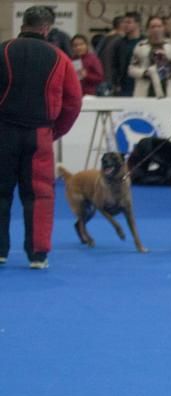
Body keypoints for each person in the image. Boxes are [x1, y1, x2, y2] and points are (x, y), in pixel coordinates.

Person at [0, 6, 82, 270]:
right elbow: (73, 102)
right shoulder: (60, 58)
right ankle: (38, 255)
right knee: (39, 195)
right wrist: (55, 131)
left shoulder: (3, 50)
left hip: (3, 132)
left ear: (23, 25)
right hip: (39, 135)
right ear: (47, 28)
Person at [129, 16, 171, 98]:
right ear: (148, 30)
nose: (156, 30)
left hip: (167, 91)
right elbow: (131, 69)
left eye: (159, 26)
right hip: (144, 91)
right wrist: (145, 73)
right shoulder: (140, 46)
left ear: (164, 28)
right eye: (153, 27)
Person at [113, 11, 144, 95]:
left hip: (140, 82)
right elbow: (115, 65)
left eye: (129, 22)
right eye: (124, 22)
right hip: (124, 85)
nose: (125, 25)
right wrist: (115, 83)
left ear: (137, 24)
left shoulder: (144, 42)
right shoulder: (119, 43)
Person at [96, 16, 124, 90]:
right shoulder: (119, 39)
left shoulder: (105, 38)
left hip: (104, 77)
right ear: (121, 25)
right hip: (112, 79)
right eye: (126, 23)